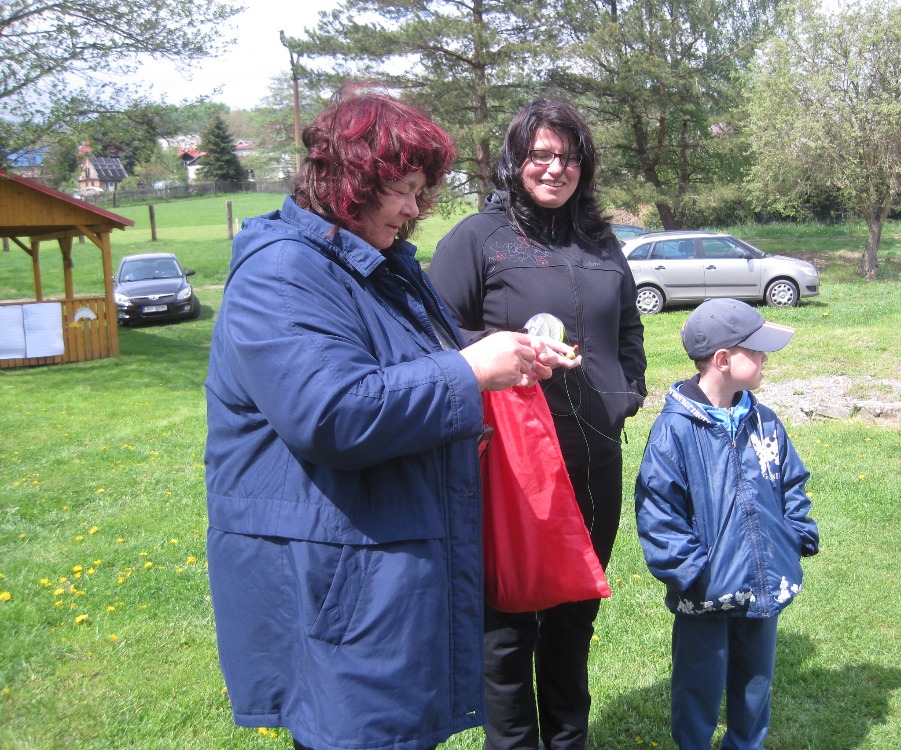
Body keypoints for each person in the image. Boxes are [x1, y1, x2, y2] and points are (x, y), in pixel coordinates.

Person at [203, 88, 579, 750]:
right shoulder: (283, 274)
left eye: (419, 192)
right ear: (348, 183)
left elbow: (408, 359)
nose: (413, 210)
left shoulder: (372, 265)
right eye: (402, 190)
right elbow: (332, 412)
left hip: (381, 565)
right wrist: (469, 371)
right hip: (339, 581)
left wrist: (503, 354)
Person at [428, 98, 647, 750]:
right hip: (512, 463)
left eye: (568, 156)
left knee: (575, 618)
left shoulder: (601, 241)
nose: (555, 168)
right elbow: (434, 335)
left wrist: (627, 393)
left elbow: (628, 328)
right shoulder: (478, 238)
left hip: (593, 460)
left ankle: (568, 741)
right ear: (515, 161)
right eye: (541, 155)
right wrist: (505, 355)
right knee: (508, 627)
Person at [634, 298, 820, 750]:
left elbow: (791, 484)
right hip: (706, 593)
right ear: (722, 360)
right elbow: (659, 513)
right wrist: (693, 574)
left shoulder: (765, 422)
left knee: (755, 685)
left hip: (764, 583)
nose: (765, 358)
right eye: (755, 350)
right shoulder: (675, 431)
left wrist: (796, 535)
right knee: (698, 687)